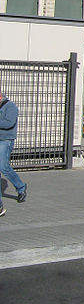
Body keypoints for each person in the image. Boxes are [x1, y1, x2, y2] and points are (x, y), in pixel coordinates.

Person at [0, 88, 27, 216]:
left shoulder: (10, 106)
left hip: (5, 140)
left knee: (3, 167)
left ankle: (21, 187)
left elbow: (9, 123)